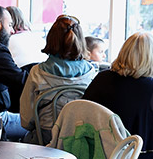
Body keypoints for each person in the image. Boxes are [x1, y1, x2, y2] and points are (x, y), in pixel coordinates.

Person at [18, 14, 97, 143]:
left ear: (51, 39)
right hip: (81, 140)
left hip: (47, 139)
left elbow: (26, 120)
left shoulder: (37, 72)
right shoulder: (91, 73)